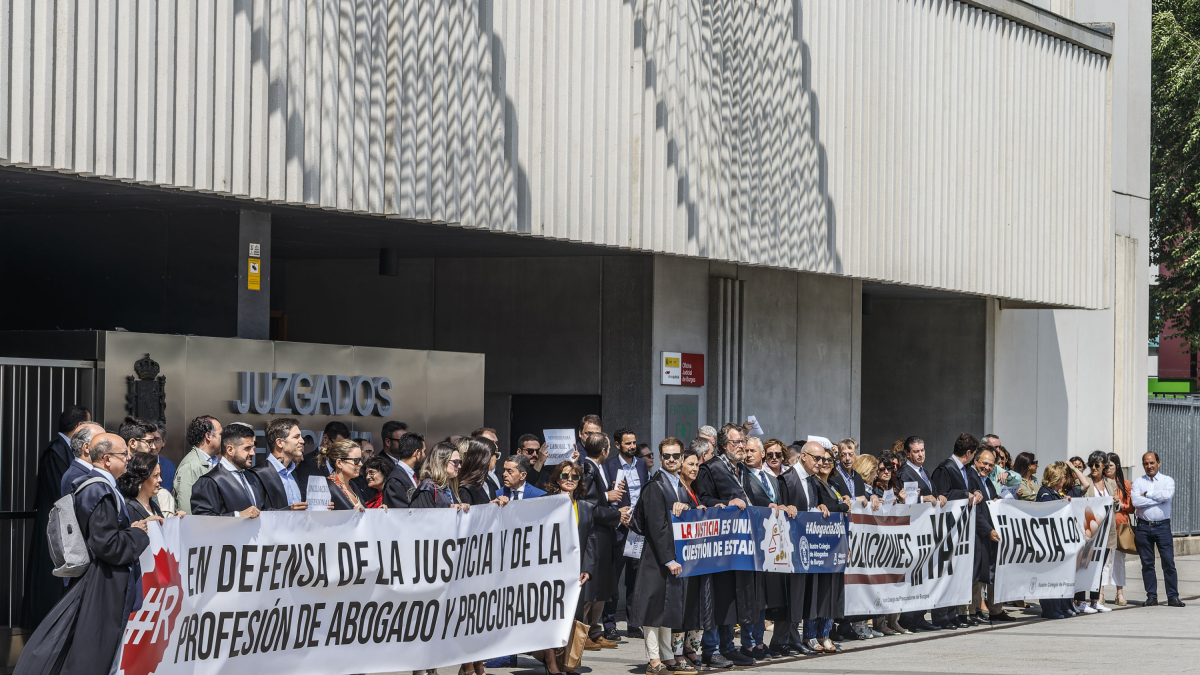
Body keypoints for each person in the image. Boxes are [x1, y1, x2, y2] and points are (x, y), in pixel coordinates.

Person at [15, 433, 156, 675]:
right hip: (102, 582)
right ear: (107, 459)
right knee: (97, 654)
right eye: (124, 454)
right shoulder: (98, 489)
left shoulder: (99, 486)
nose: (129, 458)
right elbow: (107, 545)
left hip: (102, 581)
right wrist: (138, 533)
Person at [628, 438, 699, 675]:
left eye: (675, 456)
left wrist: (686, 507)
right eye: (666, 456)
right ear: (660, 458)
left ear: (680, 458)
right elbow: (656, 527)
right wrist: (669, 560)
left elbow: (688, 512)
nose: (671, 459)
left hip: (672, 556)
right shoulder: (655, 486)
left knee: (667, 608)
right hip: (656, 558)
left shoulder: (678, 484)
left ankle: (668, 656)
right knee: (652, 608)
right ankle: (654, 660)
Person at [694, 423, 758, 667]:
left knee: (732, 597)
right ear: (723, 446)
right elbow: (704, 499)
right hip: (718, 545)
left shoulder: (742, 469)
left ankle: (729, 646)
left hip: (740, 544)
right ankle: (710, 649)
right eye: (736, 443)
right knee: (717, 596)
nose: (742, 446)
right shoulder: (710, 468)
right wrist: (727, 502)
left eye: (743, 442)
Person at [23, 405, 92, 630]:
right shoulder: (56, 451)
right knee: (50, 584)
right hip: (56, 528)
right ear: (80, 426)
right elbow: (60, 494)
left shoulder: (65, 449)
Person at [542, 461, 613, 673]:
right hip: (551, 570)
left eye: (575, 477)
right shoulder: (546, 503)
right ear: (557, 479)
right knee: (551, 618)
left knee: (574, 618)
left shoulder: (584, 506)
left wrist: (587, 569)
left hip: (575, 572)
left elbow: (591, 539)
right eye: (565, 476)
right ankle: (551, 661)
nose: (570, 480)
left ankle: (569, 660)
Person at [768, 441, 826, 657]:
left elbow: (814, 504)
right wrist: (785, 508)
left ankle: (794, 639)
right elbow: (778, 506)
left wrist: (820, 506)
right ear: (803, 456)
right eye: (816, 458)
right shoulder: (787, 479)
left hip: (807, 546)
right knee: (790, 595)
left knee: (801, 595)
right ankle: (781, 641)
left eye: (823, 459)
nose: (820, 463)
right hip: (788, 546)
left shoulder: (813, 481)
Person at [929, 433, 984, 629]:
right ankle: (941, 615)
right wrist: (964, 494)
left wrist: (976, 492)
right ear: (968, 453)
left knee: (956, 573)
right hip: (947, 529)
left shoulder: (966, 470)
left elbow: (973, 488)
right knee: (945, 572)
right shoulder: (946, 469)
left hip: (962, 530)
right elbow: (942, 494)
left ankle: (952, 614)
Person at [578, 431, 626, 650]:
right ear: (604, 450)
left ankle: (595, 631)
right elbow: (589, 508)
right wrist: (617, 514)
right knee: (591, 588)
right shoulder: (587, 469)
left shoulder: (598, 467)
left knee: (602, 587)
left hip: (604, 536)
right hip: (594, 537)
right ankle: (583, 633)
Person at [604, 427, 650, 640]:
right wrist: (615, 513)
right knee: (613, 578)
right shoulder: (608, 466)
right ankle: (610, 623)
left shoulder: (641, 464)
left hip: (638, 530)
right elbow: (603, 497)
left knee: (635, 578)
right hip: (618, 529)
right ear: (617, 445)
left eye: (634, 443)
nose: (632, 446)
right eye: (628, 443)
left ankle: (634, 623)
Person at [738, 437, 781, 657]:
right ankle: (749, 642)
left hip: (770, 543)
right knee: (750, 594)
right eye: (745, 450)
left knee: (763, 595)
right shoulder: (742, 477)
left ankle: (759, 640)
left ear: (762, 453)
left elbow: (777, 500)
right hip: (751, 540)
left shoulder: (771, 478)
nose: (748, 454)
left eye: (753, 450)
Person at [897, 436, 943, 633]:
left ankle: (920, 616)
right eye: (916, 451)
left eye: (922, 450)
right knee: (914, 575)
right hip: (913, 530)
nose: (921, 454)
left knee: (925, 575)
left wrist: (939, 496)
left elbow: (931, 493)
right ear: (908, 453)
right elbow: (906, 498)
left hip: (927, 531)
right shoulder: (905, 472)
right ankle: (909, 618)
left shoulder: (924, 471)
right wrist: (924, 497)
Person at [805, 446, 848, 654]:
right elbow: (832, 508)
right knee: (816, 592)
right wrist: (842, 506)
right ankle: (811, 634)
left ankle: (825, 633)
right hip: (818, 545)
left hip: (834, 543)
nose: (825, 464)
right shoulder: (813, 483)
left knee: (830, 593)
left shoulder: (832, 484)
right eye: (823, 460)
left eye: (830, 461)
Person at [863, 451, 909, 636]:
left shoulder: (897, 489)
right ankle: (879, 621)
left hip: (897, 539)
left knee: (897, 580)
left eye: (890, 468)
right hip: (879, 540)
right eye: (881, 469)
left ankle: (894, 619)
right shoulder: (873, 491)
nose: (886, 472)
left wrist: (905, 500)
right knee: (881, 582)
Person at [1132, 451, 1183, 607]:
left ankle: (1173, 597)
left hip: (1162, 527)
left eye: (1152, 463)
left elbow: (1167, 496)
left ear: (1158, 463)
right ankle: (1151, 597)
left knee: (1168, 562)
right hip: (1143, 528)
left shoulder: (1168, 480)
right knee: (1147, 564)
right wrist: (1156, 499)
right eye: (1146, 464)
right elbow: (1135, 501)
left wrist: (1147, 494)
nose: (1149, 466)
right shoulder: (1138, 482)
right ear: (1143, 465)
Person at [968, 448, 1012, 623]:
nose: (986, 467)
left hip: (989, 534)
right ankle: (974, 610)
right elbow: (975, 511)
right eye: (984, 463)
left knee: (988, 572)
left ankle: (991, 609)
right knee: (976, 575)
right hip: (978, 533)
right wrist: (988, 530)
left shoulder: (987, 482)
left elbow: (992, 500)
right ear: (976, 461)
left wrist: (997, 500)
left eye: (990, 465)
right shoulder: (971, 478)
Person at [190, 423, 266, 518]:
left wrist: (288, 510)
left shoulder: (253, 477)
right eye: (247, 448)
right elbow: (203, 520)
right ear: (230, 450)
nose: (253, 453)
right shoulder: (209, 481)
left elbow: (263, 511)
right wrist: (238, 515)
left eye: (253, 448)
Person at [1078, 450, 1120, 613]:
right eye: (1091, 464)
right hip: (1089, 530)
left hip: (1106, 531)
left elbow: (1115, 508)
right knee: (1084, 565)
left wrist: (1116, 501)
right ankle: (1081, 601)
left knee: (1099, 566)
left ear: (1103, 466)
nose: (1093, 467)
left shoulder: (1110, 483)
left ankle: (1095, 600)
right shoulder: (1086, 482)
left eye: (1097, 465)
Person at [1036, 462, 1073, 619]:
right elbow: (1047, 512)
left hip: (1057, 541)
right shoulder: (1045, 494)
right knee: (1049, 576)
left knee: (1059, 576)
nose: (1065, 479)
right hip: (1047, 542)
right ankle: (1051, 609)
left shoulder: (1054, 493)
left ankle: (1062, 607)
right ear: (1055, 478)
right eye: (1062, 477)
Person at [252, 417, 310, 510]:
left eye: (301, 436)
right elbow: (257, 513)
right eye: (296, 437)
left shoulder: (292, 472)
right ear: (279, 443)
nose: (302, 441)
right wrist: (289, 510)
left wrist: (321, 507)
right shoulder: (258, 474)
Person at [174, 415, 224, 515]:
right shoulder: (190, 466)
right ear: (208, 436)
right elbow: (186, 510)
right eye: (221, 434)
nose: (224, 438)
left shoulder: (216, 461)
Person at [117, 451, 185, 520]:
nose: (160, 480)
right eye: (155, 476)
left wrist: (174, 519)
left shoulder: (153, 504)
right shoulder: (128, 508)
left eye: (160, 475)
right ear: (140, 479)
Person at [1104, 452, 1133, 606]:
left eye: (1110, 465)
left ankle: (1119, 593)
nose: (1107, 468)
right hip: (1103, 526)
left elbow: (1131, 508)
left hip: (1120, 526)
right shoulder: (1100, 482)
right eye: (1106, 465)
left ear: (1117, 466)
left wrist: (1120, 504)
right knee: (1102, 561)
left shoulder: (1125, 483)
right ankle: (1100, 592)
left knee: (1118, 561)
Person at [409, 441, 470, 511]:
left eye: (460, 462)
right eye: (455, 462)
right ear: (441, 462)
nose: (459, 466)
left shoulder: (446, 487)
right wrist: (449, 510)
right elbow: (425, 518)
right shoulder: (427, 488)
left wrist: (461, 507)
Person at [383, 431, 426, 508]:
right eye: (423, 452)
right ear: (417, 453)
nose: (425, 456)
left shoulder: (413, 475)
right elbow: (401, 513)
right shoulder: (395, 480)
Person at [459, 437, 508, 505]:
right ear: (487, 457)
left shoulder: (488, 482)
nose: (496, 459)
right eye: (495, 455)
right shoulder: (466, 488)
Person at [60, 422, 104, 497]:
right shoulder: (75, 477)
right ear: (87, 448)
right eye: (102, 443)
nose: (107, 448)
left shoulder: (86, 473)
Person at [324, 439, 368, 511]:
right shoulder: (327, 487)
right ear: (339, 463)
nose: (360, 464)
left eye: (361, 459)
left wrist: (378, 511)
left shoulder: (353, 485)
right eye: (356, 460)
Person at [148, 420, 177, 494]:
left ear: (163, 442)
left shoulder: (169, 466)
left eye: (157, 440)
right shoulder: (137, 463)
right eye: (149, 440)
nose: (152, 445)